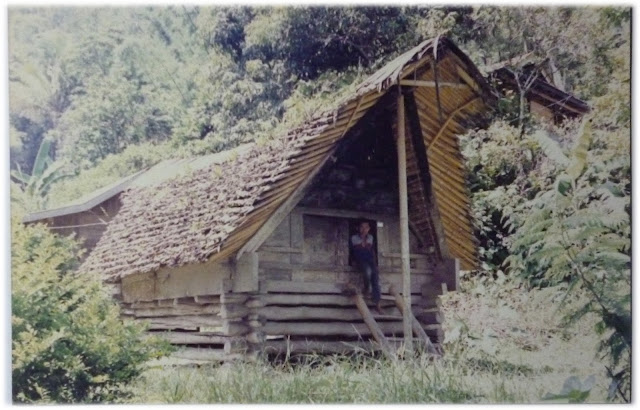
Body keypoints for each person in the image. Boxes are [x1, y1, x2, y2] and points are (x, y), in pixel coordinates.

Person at [350, 220, 383, 314]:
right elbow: (355, 251)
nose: (364, 229)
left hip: (369, 260)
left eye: (366, 227)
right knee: (367, 272)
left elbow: (371, 251)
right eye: (362, 227)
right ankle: (366, 288)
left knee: (375, 278)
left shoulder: (371, 237)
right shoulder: (354, 238)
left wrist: (375, 263)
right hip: (360, 260)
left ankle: (377, 303)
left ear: (369, 229)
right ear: (358, 228)